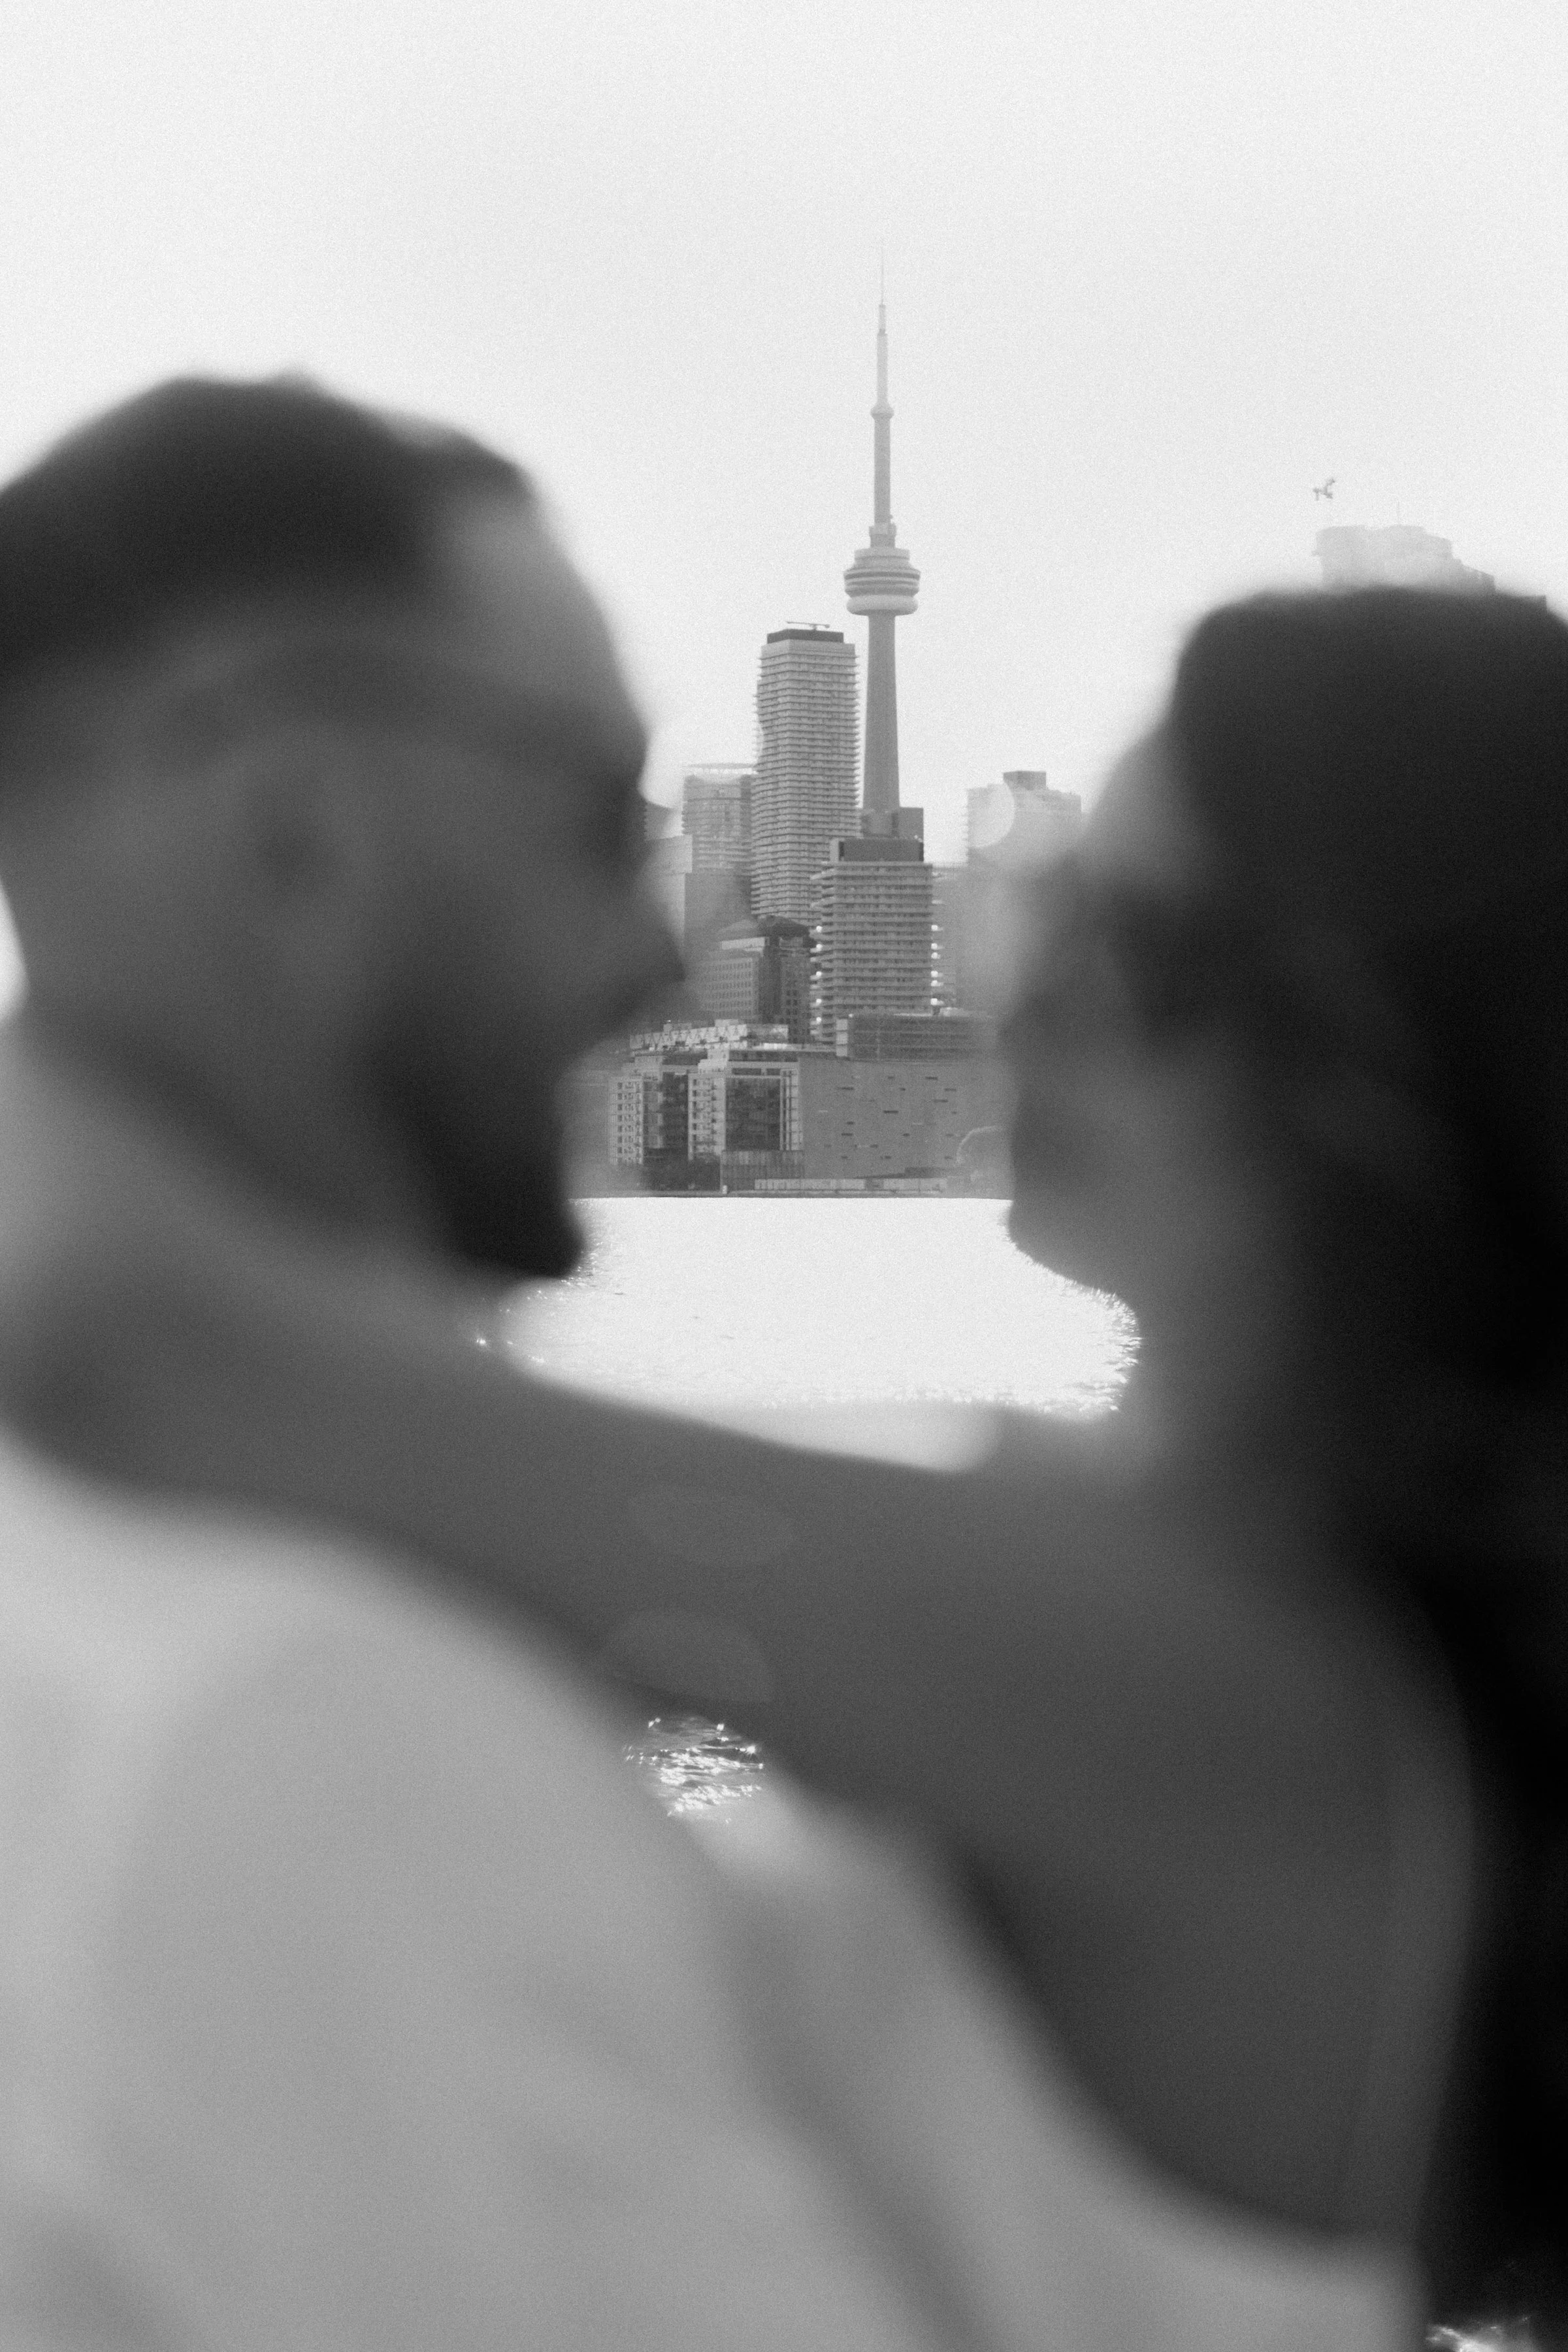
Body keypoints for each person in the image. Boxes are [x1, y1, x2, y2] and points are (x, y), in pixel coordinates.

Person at [0, 375, 1418, 2350]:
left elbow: (162, 1353)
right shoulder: (333, 1728)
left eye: (1155, 957)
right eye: (600, 815)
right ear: (291, 839)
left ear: (1417, 1094)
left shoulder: (1267, 1711)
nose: (1036, 999)